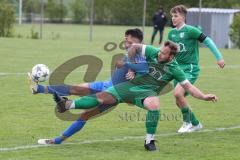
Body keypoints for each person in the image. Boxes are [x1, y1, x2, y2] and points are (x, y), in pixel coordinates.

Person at [52, 41, 218, 151]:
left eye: (163, 53)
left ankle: (149, 141)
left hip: (147, 93)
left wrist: (204, 96)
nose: (159, 54)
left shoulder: (175, 69)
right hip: (130, 86)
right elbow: (135, 46)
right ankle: (67, 105)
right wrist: (130, 65)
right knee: (102, 98)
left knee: (154, 104)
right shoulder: (154, 52)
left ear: (171, 57)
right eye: (160, 51)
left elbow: (189, 86)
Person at [34, 28, 151, 145]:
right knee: (75, 88)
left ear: (139, 43)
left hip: (112, 95)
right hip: (105, 84)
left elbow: (143, 70)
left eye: (130, 42)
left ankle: (58, 140)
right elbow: (125, 64)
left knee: (86, 114)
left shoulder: (142, 58)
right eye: (126, 41)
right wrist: (130, 69)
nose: (127, 44)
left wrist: (134, 72)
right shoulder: (130, 53)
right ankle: (38, 89)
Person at [168, 5, 225, 133]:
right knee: (179, 100)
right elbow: (169, 51)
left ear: (183, 17)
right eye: (172, 16)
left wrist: (219, 57)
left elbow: (208, 41)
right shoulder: (171, 33)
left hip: (190, 69)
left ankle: (187, 123)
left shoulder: (191, 30)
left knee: (178, 93)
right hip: (177, 70)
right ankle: (196, 124)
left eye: (176, 16)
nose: (173, 18)